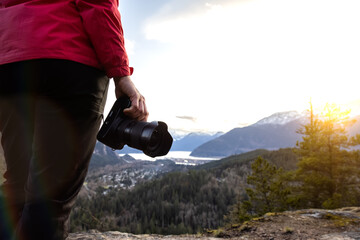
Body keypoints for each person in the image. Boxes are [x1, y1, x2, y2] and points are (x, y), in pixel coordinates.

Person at [0, 0, 148, 239]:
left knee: (16, 182)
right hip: (68, 61)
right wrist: (121, 75)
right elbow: (98, 5)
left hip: (10, 61)